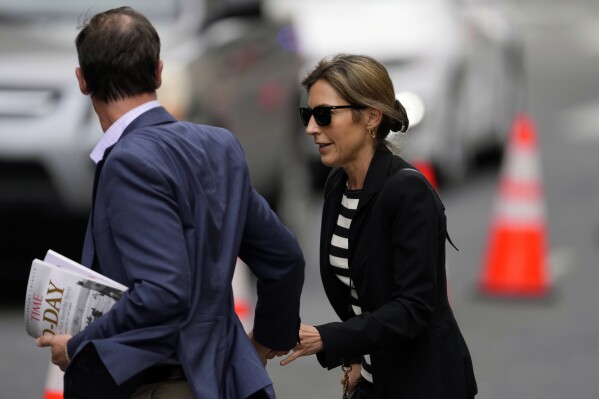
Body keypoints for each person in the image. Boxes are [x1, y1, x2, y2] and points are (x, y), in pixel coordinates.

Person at [35, 7, 304, 399]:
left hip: (161, 384)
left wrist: (76, 346)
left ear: (82, 80)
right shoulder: (220, 145)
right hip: (227, 382)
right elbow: (284, 257)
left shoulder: (128, 160)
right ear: (159, 72)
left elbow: (163, 292)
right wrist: (265, 343)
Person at [280, 54, 477, 399]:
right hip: (375, 381)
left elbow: (413, 308)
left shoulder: (407, 192)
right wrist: (357, 357)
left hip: (425, 385)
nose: (312, 127)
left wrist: (330, 338)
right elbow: (362, 295)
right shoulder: (337, 185)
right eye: (307, 115)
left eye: (324, 115)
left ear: (371, 117)